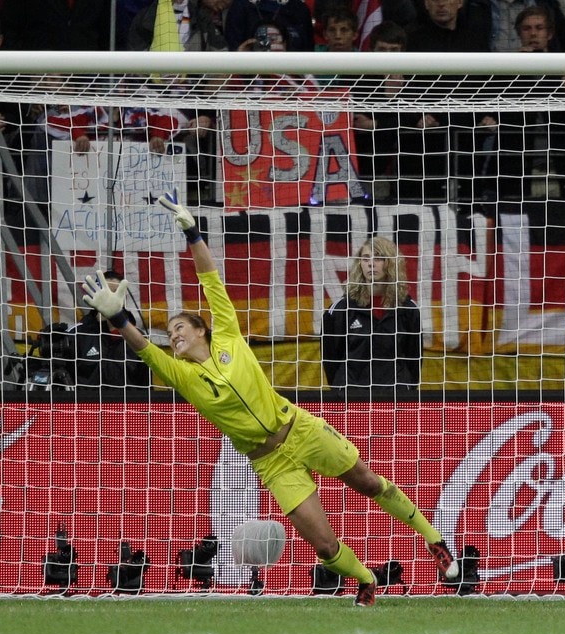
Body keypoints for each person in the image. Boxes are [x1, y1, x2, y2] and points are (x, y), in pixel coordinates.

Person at [81, 193, 460, 606]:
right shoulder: (183, 376)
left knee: (367, 482)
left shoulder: (226, 333)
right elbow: (143, 348)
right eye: (169, 332)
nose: (173, 335)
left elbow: (211, 280)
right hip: (271, 462)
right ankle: (365, 577)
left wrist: (192, 232)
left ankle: (434, 540)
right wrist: (118, 319)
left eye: (179, 327)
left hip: (299, 427)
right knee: (325, 547)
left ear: (202, 330)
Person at [322, 237, 423, 391]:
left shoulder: (408, 309)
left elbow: (414, 358)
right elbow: (331, 358)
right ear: (359, 264)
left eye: (378, 258)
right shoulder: (340, 310)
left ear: (390, 263)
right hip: (352, 397)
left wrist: (406, 388)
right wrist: (341, 388)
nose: (371, 263)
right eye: (366, 258)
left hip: (396, 396)